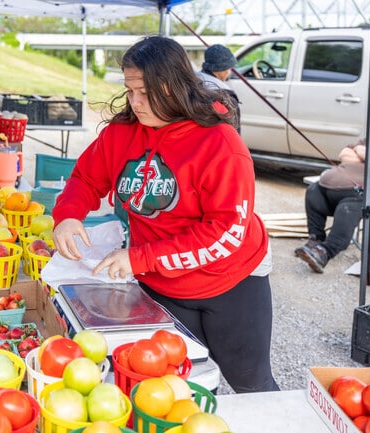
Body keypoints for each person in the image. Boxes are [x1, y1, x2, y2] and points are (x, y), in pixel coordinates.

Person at [52, 35, 280, 393]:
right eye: (129, 91)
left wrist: (140, 257)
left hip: (231, 281)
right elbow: (85, 178)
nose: (135, 102)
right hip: (161, 283)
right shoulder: (122, 133)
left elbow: (225, 232)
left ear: (173, 88)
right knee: (175, 386)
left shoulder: (220, 143)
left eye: (144, 93)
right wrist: (68, 214)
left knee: (251, 383)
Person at [295, 111, 370, 273]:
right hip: (335, 189)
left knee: (351, 205)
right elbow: (344, 154)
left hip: (363, 194)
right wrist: (366, 155)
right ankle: (315, 239)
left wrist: (361, 150)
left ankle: (325, 253)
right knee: (313, 191)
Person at [196, 44, 241, 133]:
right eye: (230, 68)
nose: (230, 72)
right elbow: (234, 133)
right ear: (223, 69)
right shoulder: (227, 98)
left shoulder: (191, 84)